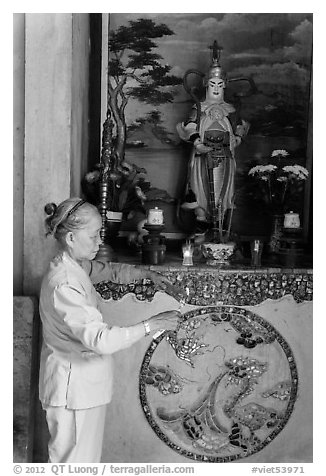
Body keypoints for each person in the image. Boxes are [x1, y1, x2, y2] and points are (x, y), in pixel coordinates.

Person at [39, 197, 183, 463]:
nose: (99, 243)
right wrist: (153, 324)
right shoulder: (65, 284)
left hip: (82, 389)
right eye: (93, 236)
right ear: (71, 237)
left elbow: (106, 271)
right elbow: (100, 340)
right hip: (74, 392)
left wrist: (148, 276)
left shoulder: (73, 265)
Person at [177, 53, 249, 241]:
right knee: (199, 188)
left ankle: (221, 228)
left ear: (224, 85)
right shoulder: (199, 107)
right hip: (203, 155)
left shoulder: (230, 109)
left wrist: (238, 139)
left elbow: (240, 126)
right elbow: (190, 126)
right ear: (206, 85)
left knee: (224, 191)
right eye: (212, 84)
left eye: (219, 84)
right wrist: (198, 143)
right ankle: (201, 225)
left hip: (225, 155)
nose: (216, 88)